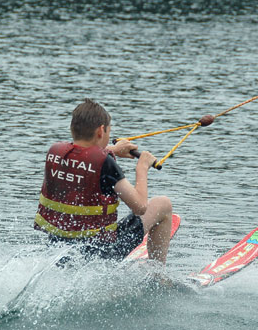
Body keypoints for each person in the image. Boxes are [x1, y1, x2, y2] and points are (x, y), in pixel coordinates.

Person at [34, 99, 173, 264]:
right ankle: (158, 278)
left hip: (59, 249)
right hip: (100, 254)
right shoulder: (106, 164)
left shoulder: (55, 153)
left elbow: (82, 159)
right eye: (108, 131)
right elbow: (140, 207)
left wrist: (112, 150)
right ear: (101, 131)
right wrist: (142, 168)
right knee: (163, 205)